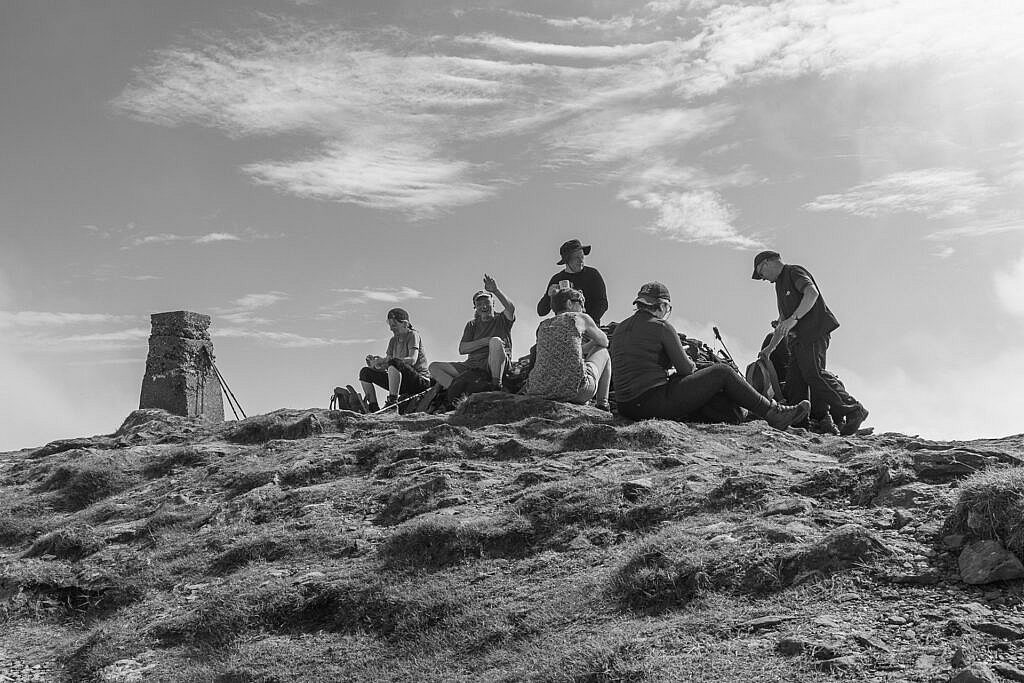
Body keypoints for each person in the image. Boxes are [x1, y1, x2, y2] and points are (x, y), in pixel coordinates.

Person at [610, 281, 810, 429]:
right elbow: (687, 369)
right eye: (667, 308)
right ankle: (774, 413)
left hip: (626, 406)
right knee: (722, 372)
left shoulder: (620, 329)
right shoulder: (661, 327)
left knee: (705, 392)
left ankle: (750, 412)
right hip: (652, 403)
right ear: (662, 305)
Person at [752, 250, 869, 436]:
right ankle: (800, 424)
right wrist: (769, 348)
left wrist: (794, 319)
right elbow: (783, 321)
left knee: (815, 374)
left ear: (767, 263)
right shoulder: (779, 286)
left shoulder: (793, 272)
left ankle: (854, 410)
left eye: (760, 272)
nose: (763, 278)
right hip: (797, 342)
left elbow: (811, 293)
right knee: (794, 381)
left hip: (813, 334)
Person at [525, 288, 611, 409]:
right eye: (581, 303)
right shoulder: (580, 317)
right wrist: (594, 341)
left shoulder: (543, 325)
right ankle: (603, 404)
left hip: (540, 390)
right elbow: (604, 341)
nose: (584, 308)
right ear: (569, 303)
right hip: (576, 392)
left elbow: (570, 351)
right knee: (604, 351)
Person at [429, 275, 516, 390]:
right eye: (479, 304)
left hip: (494, 364)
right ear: (475, 307)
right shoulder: (472, 324)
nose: (483, 306)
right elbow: (463, 349)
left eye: (486, 302)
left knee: (495, 341)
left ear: (493, 303)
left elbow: (510, 309)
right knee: (434, 367)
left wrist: (495, 291)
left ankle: (496, 385)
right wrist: (485, 341)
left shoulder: (502, 319)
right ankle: (457, 390)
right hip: (472, 366)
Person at [358, 308, 432, 411]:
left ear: (405, 324)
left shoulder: (413, 335)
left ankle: (392, 403)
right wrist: (375, 365)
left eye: (394, 325)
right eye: (390, 325)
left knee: (394, 362)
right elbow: (389, 367)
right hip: (401, 382)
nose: (391, 329)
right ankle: (373, 407)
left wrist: (385, 361)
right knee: (365, 372)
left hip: (420, 381)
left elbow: (412, 360)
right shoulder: (393, 341)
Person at [536, 239, 609, 325]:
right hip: (563, 329)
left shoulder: (592, 274)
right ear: (567, 260)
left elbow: (602, 303)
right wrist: (549, 296)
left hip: (589, 329)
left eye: (582, 256)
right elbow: (541, 311)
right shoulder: (557, 279)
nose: (581, 260)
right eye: (576, 258)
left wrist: (585, 323)